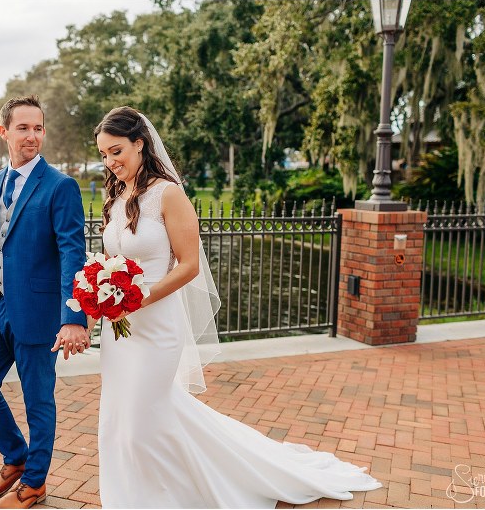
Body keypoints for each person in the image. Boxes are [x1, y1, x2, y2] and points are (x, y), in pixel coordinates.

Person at [94, 106, 383, 508]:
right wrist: (101, 286)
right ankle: (130, 495)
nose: (111, 162)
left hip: (157, 324)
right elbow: (112, 259)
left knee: (142, 420)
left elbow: (190, 265)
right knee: (118, 418)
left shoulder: (168, 194)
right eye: (104, 155)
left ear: (140, 144)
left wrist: (140, 297)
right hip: (120, 329)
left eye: (117, 151)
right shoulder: (118, 195)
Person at [0, 95, 90, 509]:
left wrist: (74, 316)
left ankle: (34, 482)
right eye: (23, 128)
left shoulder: (60, 186)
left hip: (37, 314)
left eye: (38, 127)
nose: (32, 135)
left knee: (38, 401)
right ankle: (16, 458)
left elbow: (73, 253)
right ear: (5, 132)